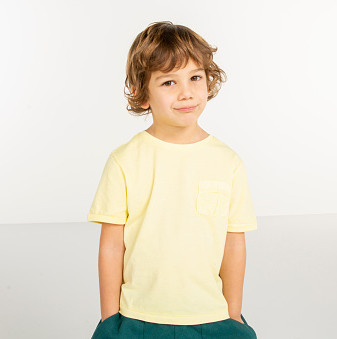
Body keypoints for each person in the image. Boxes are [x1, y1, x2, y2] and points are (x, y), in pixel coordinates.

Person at [87, 21, 258, 338]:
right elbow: (111, 247)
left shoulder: (228, 162)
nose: (186, 92)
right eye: (168, 82)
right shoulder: (124, 161)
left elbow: (234, 244)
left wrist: (232, 316)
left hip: (211, 316)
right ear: (142, 94)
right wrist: (110, 319)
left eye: (195, 77)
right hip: (137, 317)